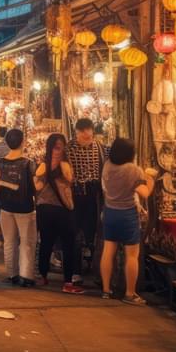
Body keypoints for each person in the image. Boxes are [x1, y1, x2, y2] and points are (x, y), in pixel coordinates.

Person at [99, 138, 154, 305]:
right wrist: (150, 178)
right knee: (131, 255)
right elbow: (144, 193)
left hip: (110, 212)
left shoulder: (108, 165)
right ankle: (130, 294)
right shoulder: (133, 170)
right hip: (127, 214)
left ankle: (106, 290)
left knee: (108, 251)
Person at [35, 133, 83, 294]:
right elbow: (38, 185)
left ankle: (62, 280)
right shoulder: (45, 165)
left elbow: (69, 179)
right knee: (52, 243)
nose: (58, 150)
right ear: (50, 148)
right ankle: (51, 277)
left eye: (61, 147)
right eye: (56, 147)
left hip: (57, 209)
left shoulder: (61, 164)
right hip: (53, 209)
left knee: (60, 243)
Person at [0, 128, 36, 287]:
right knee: (27, 242)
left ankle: (12, 274)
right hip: (25, 208)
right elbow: (35, 187)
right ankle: (26, 276)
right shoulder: (28, 163)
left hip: (5, 207)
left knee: (9, 241)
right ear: (22, 142)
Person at [65, 118, 108, 279]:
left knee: (92, 230)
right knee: (74, 231)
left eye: (89, 134)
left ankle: (91, 262)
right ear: (77, 133)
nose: (87, 137)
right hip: (75, 195)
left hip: (93, 194)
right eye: (83, 134)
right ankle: (76, 270)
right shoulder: (69, 148)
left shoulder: (100, 147)